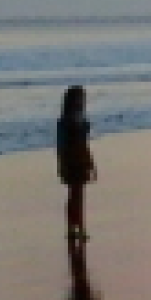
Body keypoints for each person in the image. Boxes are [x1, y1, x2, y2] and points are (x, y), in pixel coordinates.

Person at [57, 85, 97, 241]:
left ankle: (76, 228)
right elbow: (61, 145)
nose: (83, 101)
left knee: (77, 195)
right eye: (80, 98)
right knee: (75, 195)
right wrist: (62, 163)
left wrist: (91, 162)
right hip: (71, 158)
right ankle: (75, 228)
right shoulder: (66, 121)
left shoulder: (79, 118)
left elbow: (84, 143)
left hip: (80, 157)